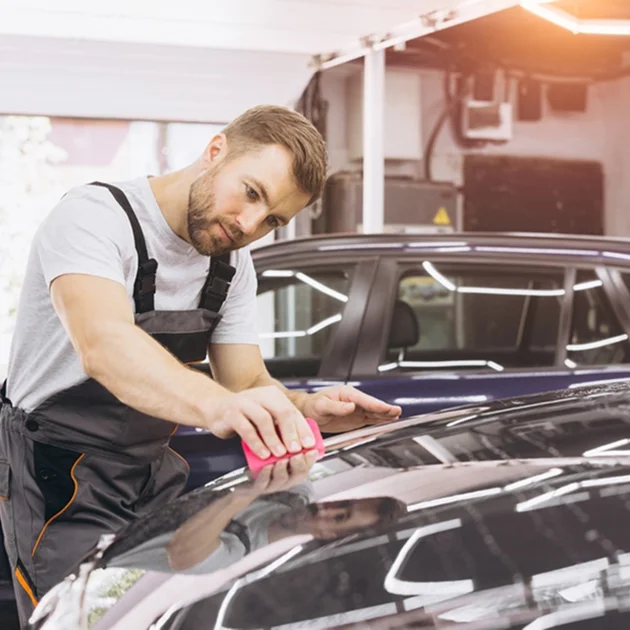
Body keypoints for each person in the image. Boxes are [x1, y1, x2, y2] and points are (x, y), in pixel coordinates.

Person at [0, 104, 401, 626]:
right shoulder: (94, 218)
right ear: (216, 151)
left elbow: (246, 379)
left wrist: (304, 408)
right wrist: (217, 406)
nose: (250, 225)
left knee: (167, 614)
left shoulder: (233, 264)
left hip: (148, 470)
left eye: (274, 220)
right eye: (252, 193)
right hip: (54, 473)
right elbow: (104, 344)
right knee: (84, 618)